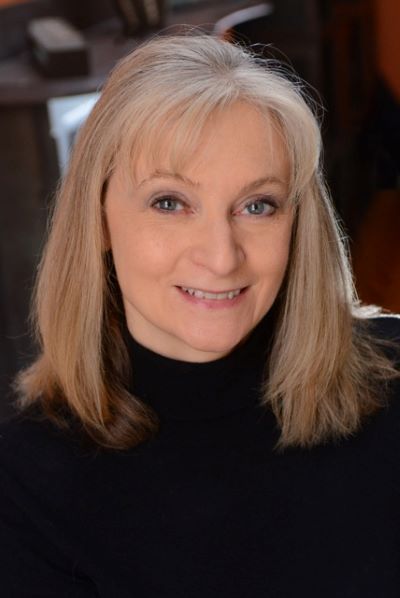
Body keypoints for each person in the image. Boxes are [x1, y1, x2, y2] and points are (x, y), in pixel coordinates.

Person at [0, 33, 399, 598]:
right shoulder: (24, 484)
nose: (221, 256)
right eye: (170, 202)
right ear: (99, 218)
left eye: (257, 205)